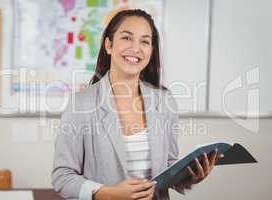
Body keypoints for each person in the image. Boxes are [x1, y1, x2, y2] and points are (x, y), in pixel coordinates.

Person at [52, 9, 222, 200]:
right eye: (126, 38)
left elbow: (168, 168)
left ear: (151, 50)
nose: (136, 48)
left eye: (145, 41)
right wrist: (108, 194)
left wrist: (189, 177)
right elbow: (62, 177)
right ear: (108, 45)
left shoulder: (164, 101)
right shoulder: (81, 104)